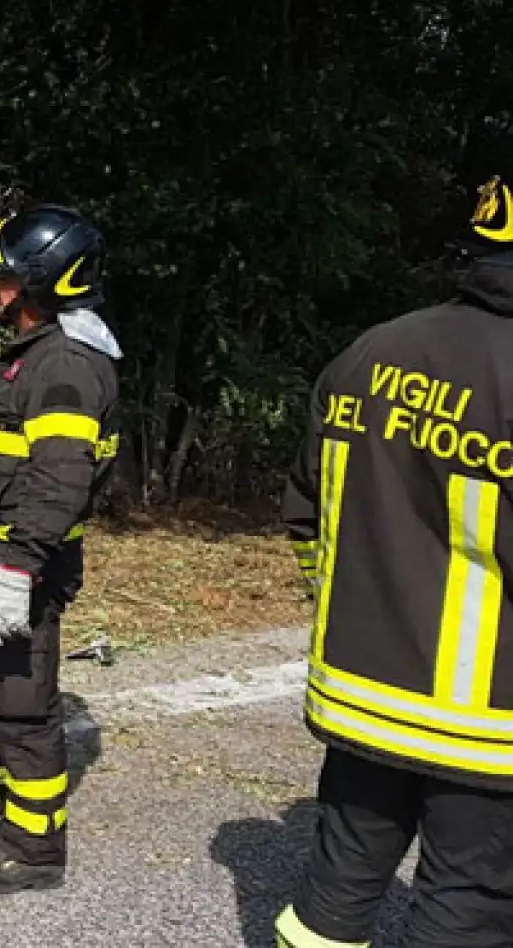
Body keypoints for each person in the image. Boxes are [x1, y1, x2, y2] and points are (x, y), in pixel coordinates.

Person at [275, 177, 513, 947]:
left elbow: (308, 516)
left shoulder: (371, 351)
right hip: (486, 723)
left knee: (333, 898)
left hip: (360, 696)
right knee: (465, 909)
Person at [0, 205, 123, 894]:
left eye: (6, 278)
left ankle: (34, 848)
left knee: (19, 704)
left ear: (43, 284)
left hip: (17, 568)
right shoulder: (32, 355)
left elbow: (59, 478)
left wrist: (18, 571)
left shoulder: (66, 364)